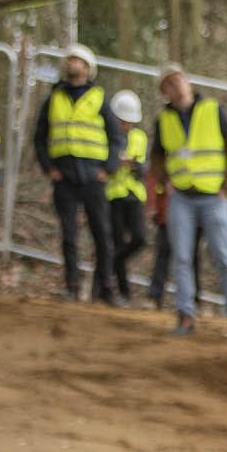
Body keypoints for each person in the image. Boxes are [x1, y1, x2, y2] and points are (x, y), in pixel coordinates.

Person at [151, 66, 227, 339]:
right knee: (182, 257)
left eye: (178, 79)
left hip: (214, 196)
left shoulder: (214, 110)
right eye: (169, 83)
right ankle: (185, 315)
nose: (176, 86)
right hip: (181, 197)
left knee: (224, 256)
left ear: (187, 82)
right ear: (164, 92)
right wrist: (165, 182)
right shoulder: (163, 120)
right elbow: (156, 157)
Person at [33, 42, 117, 304]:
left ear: (87, 68)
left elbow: (116, 138)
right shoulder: (54, 98)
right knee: (69, 235)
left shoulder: (100, 98)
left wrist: (107, 169)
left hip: (93, 177)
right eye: (69, 60)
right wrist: (49, 168)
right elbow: (39, 138)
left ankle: (104, 287)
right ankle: (72, 286)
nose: (71, 63)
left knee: (102, 234)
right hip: (65, 177)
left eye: (77, 60)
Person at [104, 87, 150, 303]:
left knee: (139, 238)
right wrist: (115, 163)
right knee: (118, 240)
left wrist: (134, 164)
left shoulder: (140, 137)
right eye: (122, 121)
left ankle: (110, 263)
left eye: (129, 122)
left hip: (134, 195)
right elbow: (103, 165)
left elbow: (144, 168)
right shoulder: (106, 137)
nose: (126, 125)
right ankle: (124, 292)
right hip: (113, 195)